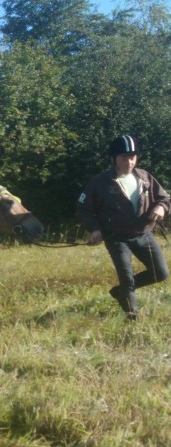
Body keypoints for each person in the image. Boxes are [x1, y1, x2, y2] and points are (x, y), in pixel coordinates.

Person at [77, 135, 170, 320]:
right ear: (113, 159)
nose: (129, 162)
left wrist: (161, 207)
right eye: (124, 158)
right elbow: (83, 208)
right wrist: (94, 229)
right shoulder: (100, 182)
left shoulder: (145, 177)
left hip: (143, 234)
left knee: (161, 273)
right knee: (127, 277)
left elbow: (165, 198)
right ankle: (132, 317)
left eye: (133, 157)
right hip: (117, 238)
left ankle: (120, 292)